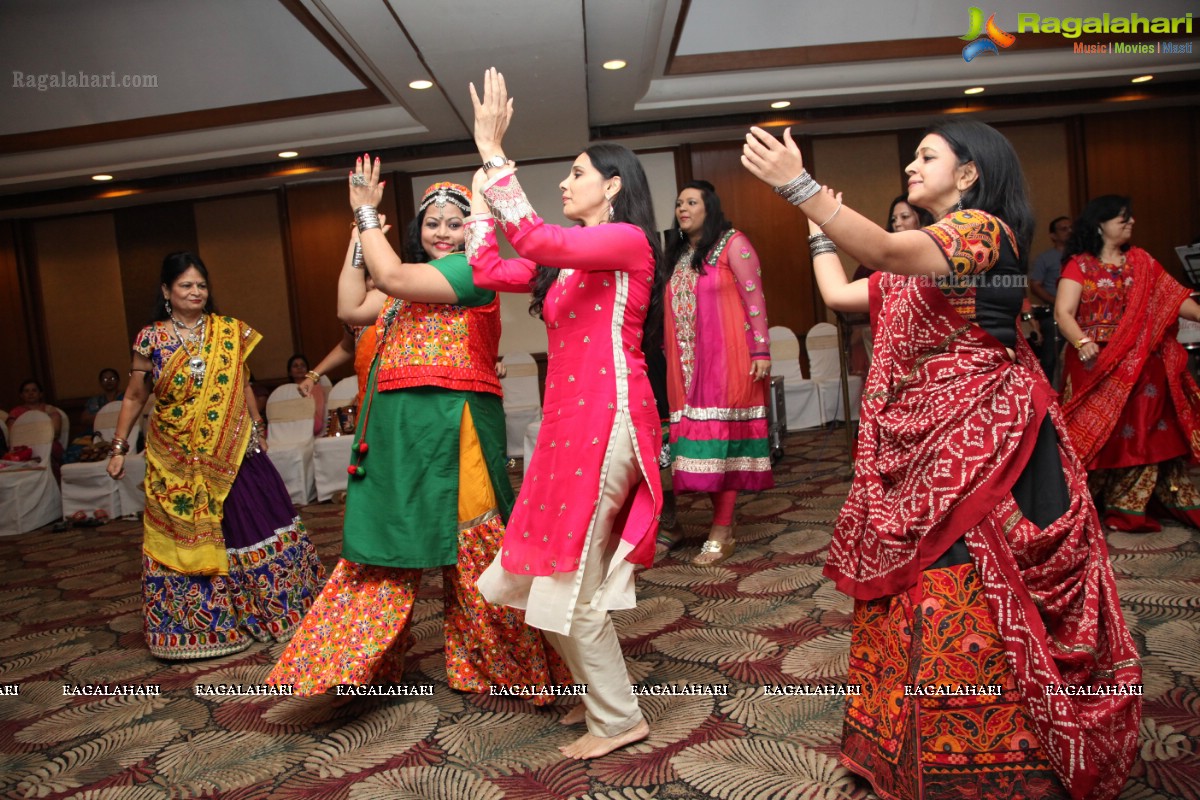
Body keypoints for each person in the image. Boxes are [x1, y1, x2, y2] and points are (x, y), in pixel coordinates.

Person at [743, 120, 1140, 800]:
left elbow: (890, 250)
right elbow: (842, 295)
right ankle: (919, 748)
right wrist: (812, 223)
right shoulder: (915, 266)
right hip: (923, 445)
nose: (910, 167)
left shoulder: (983, 234)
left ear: (969, 174)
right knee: (919, 587)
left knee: (972, 586)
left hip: (990, 444)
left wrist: (800, 187)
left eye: (927, 156)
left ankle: (1003, 762)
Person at [268, 178, 568, 699]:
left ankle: (507, 667)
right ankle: (346, 674)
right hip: (396, 426)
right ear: (417, 230)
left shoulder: (473, 269)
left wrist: (364, 212)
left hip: (458, 424)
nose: (444, 233)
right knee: (382, 546)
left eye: (456, 223)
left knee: (476, 545)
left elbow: (390, 275)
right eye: (433, 223)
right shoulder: (402, 284)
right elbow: (349, 309)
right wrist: (356, 237)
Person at [464, 68, 664, 759]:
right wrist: (481, 203)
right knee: (544, 577)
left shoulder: (628, 243)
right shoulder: (569, 266)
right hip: (564, 432)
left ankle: (619, 718)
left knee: (572, 584)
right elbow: (491, 268)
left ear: (612, 185)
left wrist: (497, 156)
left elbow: (542, 240)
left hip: (610, 422)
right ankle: (602, 704)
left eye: (577, 173)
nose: (565, 182)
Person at [105, 252, 325, 659]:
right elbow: (135, 395)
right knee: (186, 534)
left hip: (232, 445)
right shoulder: (150, 338)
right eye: (186, 285)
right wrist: (118, 446)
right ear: (166, 291)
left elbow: (242, 385)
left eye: (201, 285)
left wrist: (257, 428)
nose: (195, 292)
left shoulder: (229, 331)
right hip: (175, 455)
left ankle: (275, 610)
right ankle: (204, 627)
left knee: (254, 517)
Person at [1056, 195, 1200, 532]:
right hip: (1096, 366)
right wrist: (1082, 341)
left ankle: (1130, 508)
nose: (1130, 222)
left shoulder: (1142, 262)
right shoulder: (1080, 265)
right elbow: (1064, 313)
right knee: (1097, 436)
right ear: (1100, 224)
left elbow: (1176, 299)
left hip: (1144, 370)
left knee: (1145, 436)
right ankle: (1082, 504)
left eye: (1130, 217)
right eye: (1122, 218)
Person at [663, 179, 773, 565]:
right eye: (679, 203)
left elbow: (754, 296)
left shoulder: (733, 243)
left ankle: (722, 529)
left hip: (728, 358)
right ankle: (723, 521)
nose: (683, 208)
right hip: (686, 365)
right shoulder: (679, 255)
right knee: (702, 450)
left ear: (710, 207)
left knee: (722, 444)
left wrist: (761, 348)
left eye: (691, 202)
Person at [1029, 215, 1072, 381]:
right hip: (1053, 312)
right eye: (1064, 229)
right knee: (1050, 358)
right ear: (1053, 235)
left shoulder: (1081, 256)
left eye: (1071, 228)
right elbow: (1035, 285)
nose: (1069, 232)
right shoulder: (1045, 258)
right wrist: (1056, 302)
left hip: (1079, 311)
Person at [850, 195, 934, 281]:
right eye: (893, 220)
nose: (897, 224)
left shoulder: (933, 254)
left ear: (922, 220)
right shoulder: (881, 258)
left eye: (905, 217)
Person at [7, 379, 64, 479]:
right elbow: (12, 434)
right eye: (26, 391)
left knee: (50, 451)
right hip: (22, 446)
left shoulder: (49, 410)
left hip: (47, 443)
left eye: (34, 390)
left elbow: (56, 431)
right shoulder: (15, 412)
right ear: (21, 395)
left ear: (40, 394)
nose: (30, 393)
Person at [283, 353, 326, 436]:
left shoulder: (316, 387)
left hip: (312, 424)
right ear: (289, 372)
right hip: (289, 427)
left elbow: (318, 422)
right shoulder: (285, 391)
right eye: (295, 366)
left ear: (307, 371)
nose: (299, 368)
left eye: (303, 365)